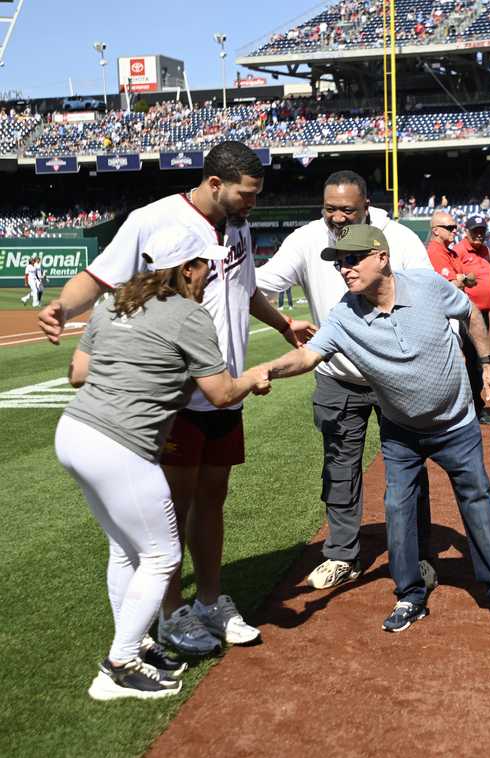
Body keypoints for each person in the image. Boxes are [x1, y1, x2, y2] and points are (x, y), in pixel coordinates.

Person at [38, 141, 315, 655]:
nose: (252, 202)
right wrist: (60, 307)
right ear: (215, 184)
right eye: (245, 193)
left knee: (213, 501)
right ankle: (171, 613)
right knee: (171, 509)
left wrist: (282, 324)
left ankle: (208, 600)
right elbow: (100, 276)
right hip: (176, 397)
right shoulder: (155, 219)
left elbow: (246, 288)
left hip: (223, 392)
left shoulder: (238, 225)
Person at [263, 225, 490, 632]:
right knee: (398, 509)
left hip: (455, 423)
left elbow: (469, 311)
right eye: (339, 263)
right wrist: (266, 371)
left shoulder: (425, 285)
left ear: (381, 258)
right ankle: (410, 596)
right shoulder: (345, 313)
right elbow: (309, 357)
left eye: (352, 260)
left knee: (476, 499)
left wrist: (488, 362)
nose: (345, 270)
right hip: (401, 431)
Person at [57, 226, 270, 700]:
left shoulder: (112, 302)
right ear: (186, 269)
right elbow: (219, 394)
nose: (210, 273)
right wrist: (254, 377)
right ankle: (120, 665)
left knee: (124, 550)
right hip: (120, 444)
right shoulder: (188, 315)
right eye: (204, 265)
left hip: (73, 432)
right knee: (162, 555)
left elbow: (77, 374)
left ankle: (135, 644)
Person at [256, 170, 439, 591]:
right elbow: (263, 283)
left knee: (405, 468)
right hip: (337, 376)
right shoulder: (305, 239)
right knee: (339, 468)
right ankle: (342, 555)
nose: (337, 218)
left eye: (347, 210)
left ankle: (417, 554)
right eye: (330, 209)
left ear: (368, 207)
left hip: (394, 375)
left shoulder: (400, 239)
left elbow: (430, 292)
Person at [427, 210, 490, 426]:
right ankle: (466, 411)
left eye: (482, 231)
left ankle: (474, 409)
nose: (454, 231)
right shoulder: (446, 251)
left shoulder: (471, 251)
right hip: (459, 315)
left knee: (475, 361)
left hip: (477, 314)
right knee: (465, 363)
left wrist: (463, 279)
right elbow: (449, 284)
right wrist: (461, 279)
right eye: (450, 228)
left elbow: (462, 279)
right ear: (436, 230)